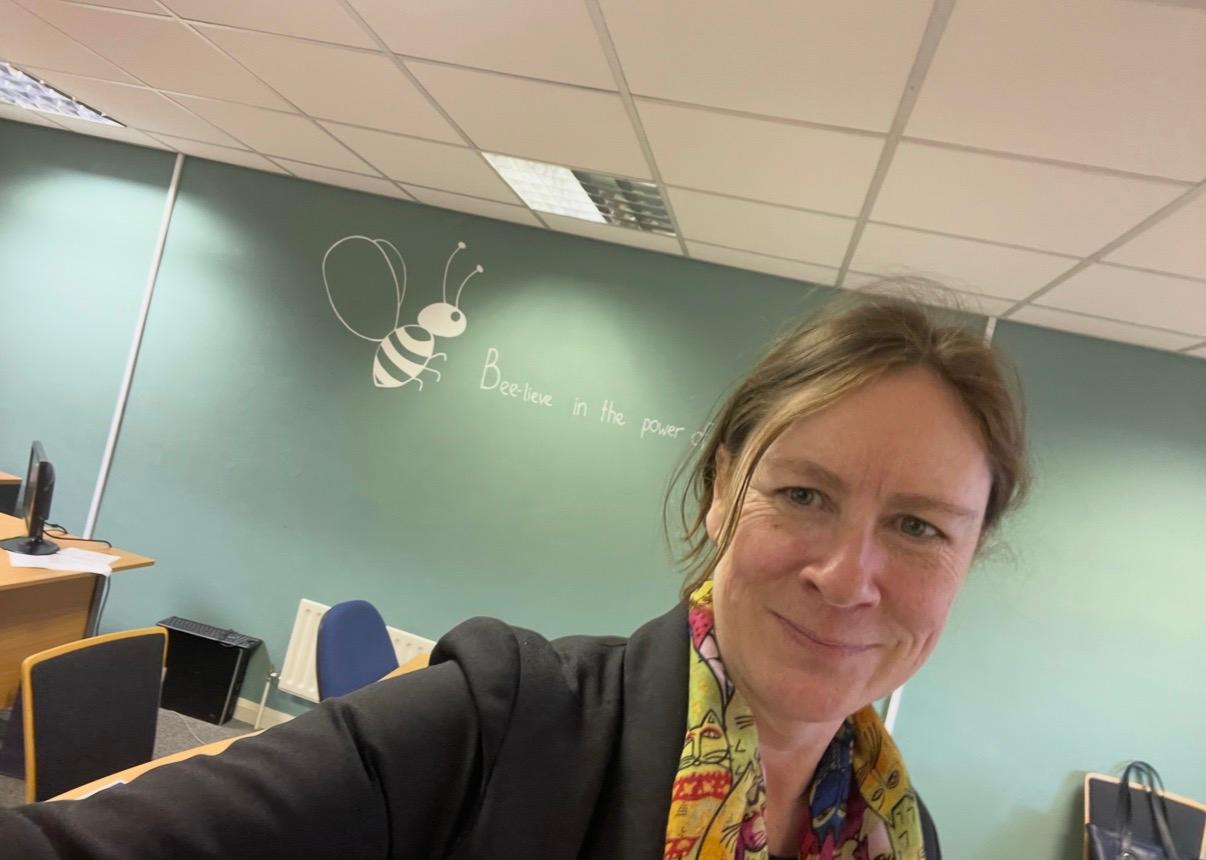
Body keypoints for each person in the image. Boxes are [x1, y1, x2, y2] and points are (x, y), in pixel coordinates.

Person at [1, 290, 1027, 859]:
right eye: (804, 493)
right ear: (722, 490)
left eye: (920, 527)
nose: (850, 576)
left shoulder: (898, 832)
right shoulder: (502, 721)